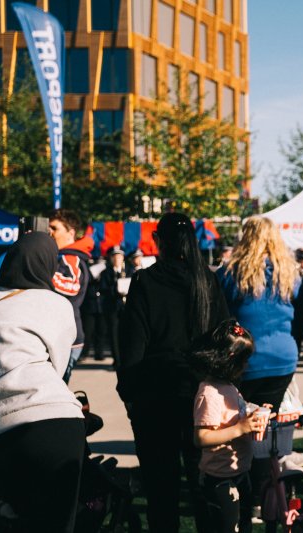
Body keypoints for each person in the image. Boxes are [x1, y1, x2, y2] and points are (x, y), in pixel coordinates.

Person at [118, 212, 229, 533]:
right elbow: (225, 338)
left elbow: (131, 348)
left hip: (158, 395)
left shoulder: (148, 282)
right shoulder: (206, 281)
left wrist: (129, 394)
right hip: (198, 393)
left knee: (161, 488)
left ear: (159, 241)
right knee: (201, 484)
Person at [0, 232, 85, 533]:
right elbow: (59, 364)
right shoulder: (56, 303)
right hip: (59, 419)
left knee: (16, 518)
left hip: (8, 422)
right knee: (58, 522)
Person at [215, 216, 302, 520]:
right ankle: (268, 491)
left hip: (247, 360)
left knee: (247, 429)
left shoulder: (231, 273)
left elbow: (221, 315)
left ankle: (250, 494)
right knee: (268, 424)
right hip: (283, 359)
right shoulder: (289, 273)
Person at [190, 319, 263, 533]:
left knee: (244, 524)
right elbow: (201, 438)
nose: (246, 366)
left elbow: (233, 415)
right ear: (230, 359)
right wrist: (240, 428)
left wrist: (255, 412)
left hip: (240, 471)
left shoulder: (229, 387)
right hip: (219, 479)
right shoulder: (209, 393)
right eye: (244, 361)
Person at [48, 209, 94, 382]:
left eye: (54, 228)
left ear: (71, 233)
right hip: (63, 337)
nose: (50, 232)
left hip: (67, 339)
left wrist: (37, 271)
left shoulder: (70, 258)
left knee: (54, 392)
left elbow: (71, 286)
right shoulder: (63, 257)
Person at [100, 247, 134, 366]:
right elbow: (103, 289)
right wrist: (116, 289)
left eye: (119, 256)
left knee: (127, 333)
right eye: (114, 256)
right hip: (113, 307)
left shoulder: (129, 270)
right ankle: (117, 360)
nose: (117, 259)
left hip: (126, 307)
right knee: (114, 334)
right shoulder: (106, 273)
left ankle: (126, 358)